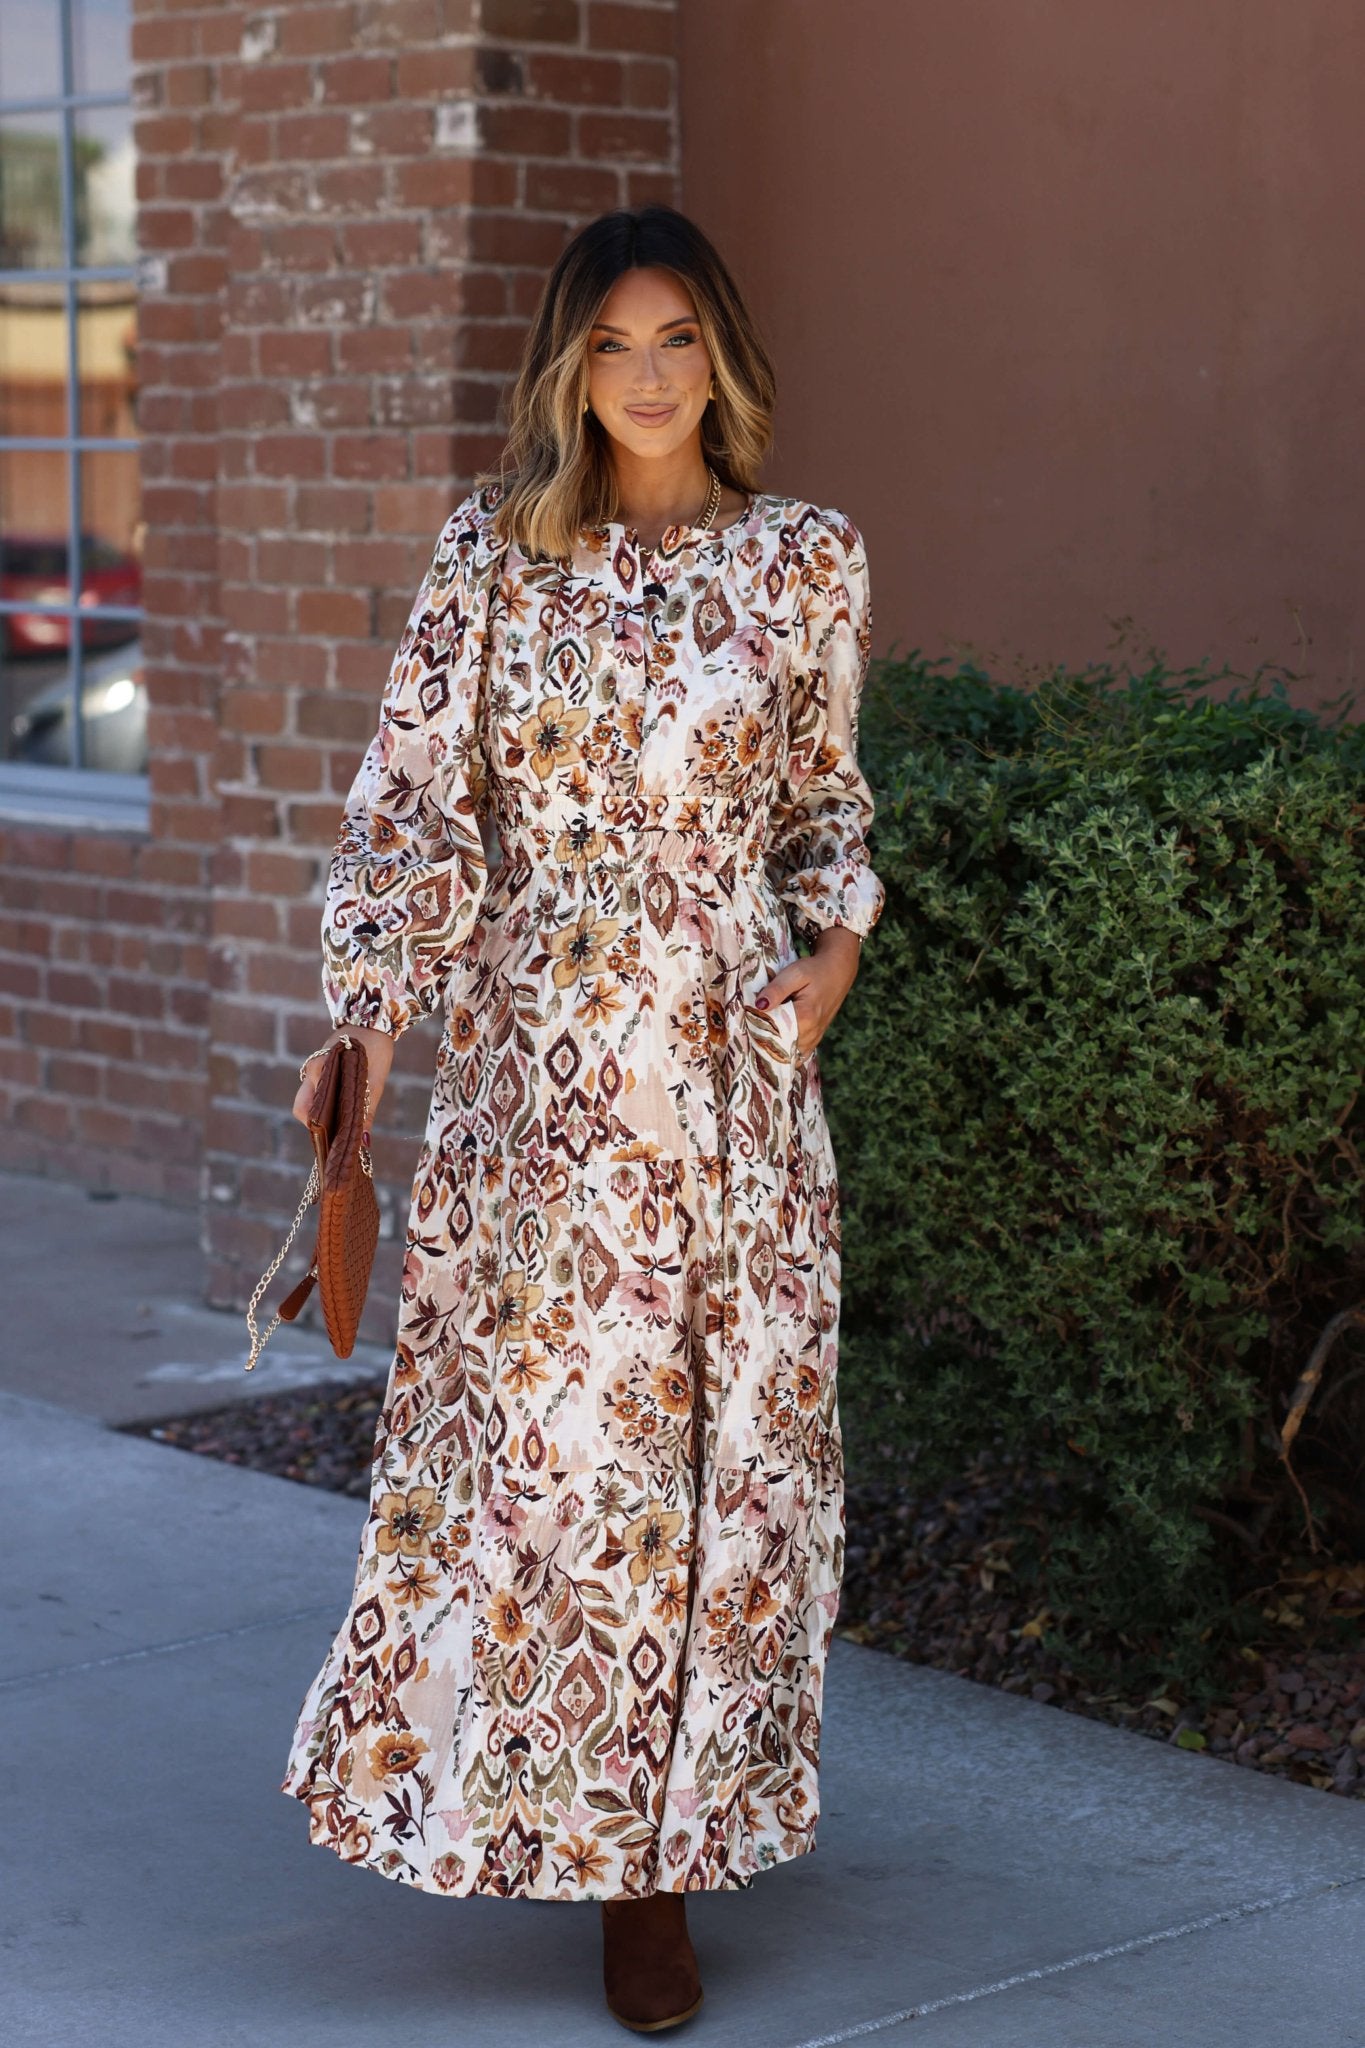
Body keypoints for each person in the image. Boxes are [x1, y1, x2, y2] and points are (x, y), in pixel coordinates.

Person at [279, 203, 885, 2034]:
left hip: (727, 1088)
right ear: (567, 366)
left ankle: (661, 1871)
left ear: (723, 358)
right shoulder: (488, 558)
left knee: (718, 1478)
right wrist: (368, 1047)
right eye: (610, 344)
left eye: (676, 339)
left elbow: (823, 817)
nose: (644, 377)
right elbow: (412, 813)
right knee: (557, 1478)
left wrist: (835, 956)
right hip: (539, 1084)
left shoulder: (803, 565)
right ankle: (562, 1815)